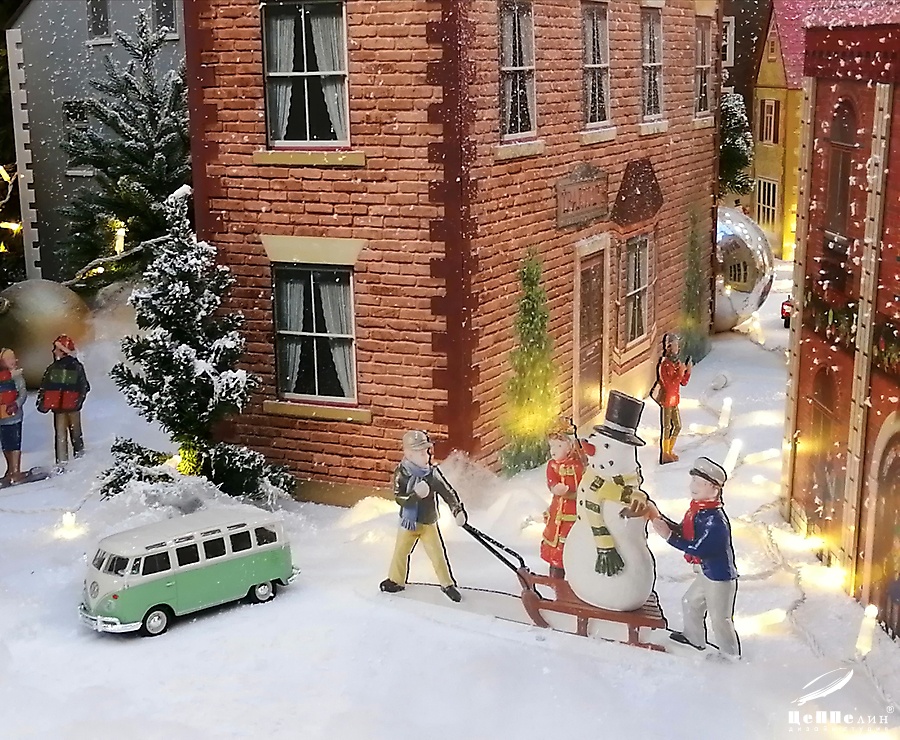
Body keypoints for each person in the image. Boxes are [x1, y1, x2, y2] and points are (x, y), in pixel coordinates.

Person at [646, 457, 740, 657]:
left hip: (718, 578)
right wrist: (661, 519)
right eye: (693, 481)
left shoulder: (714, 521)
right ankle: (693, 637)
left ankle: (730, 655)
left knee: (720, 618)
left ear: (714, 489)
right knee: (690, 602)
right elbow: (685, 532)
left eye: (699, 483)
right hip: (705, 573)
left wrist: (669, 536)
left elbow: (698, 548)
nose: (693, 487)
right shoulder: (698, 512)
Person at [380, 430, 468, 602]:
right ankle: (396, 580)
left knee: (437, 554)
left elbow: (447, 492)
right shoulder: (402, 473)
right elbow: (399, 498)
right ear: (409, 454)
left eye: (426, 451)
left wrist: (457, 510)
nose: (426, 456)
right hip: (408, 523)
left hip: (428, 522)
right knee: (400, 552)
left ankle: (447, 584)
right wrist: (414, 496)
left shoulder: (432, 474)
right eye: (421, 453)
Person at [540, 417, 593, 580]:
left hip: (577, 510)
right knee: (557, 546)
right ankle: (556, 577)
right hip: (558, 512)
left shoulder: (580, 464)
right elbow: (551, 481)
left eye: (559, 446)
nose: (554, 451)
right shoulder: (553, 465)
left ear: (570, 445)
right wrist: (555, 487)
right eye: (552, 446)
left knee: (575, 543)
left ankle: (579, 577)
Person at [36, 335, 90, 466]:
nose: (54, 351)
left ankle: (74, 460)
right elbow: (45, 387)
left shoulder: (71, 367)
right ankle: (65, 462)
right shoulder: (55, 368)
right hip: (61, 408)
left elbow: (84, 386)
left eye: (56, 349)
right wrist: (44, 401)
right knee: (66, 435)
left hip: (69, 407)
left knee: (71, 435)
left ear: (63, 351)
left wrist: (78, 401)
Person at [653, 332, 692, 464]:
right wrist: (680, 372)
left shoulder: (677, 363)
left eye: (678, 345)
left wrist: (687, 372)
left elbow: (683, 382)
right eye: (675, 345)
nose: (677, 348)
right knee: (667, 427)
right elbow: (669, 385)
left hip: (674, 400)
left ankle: (669, 450)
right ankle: (665, 453)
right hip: (666, 400)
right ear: (669, 347)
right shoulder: (665, 365)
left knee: (678, 426)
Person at [0, 348, 27, 484]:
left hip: (14, 416)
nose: (13, 361)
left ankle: (16, 470)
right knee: (5, 443)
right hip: (1, 417)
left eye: (13, 358)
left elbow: (22, 394)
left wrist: (16, 404)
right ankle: (10, 468)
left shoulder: (17, 377)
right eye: (8, 359)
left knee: (15, 442)